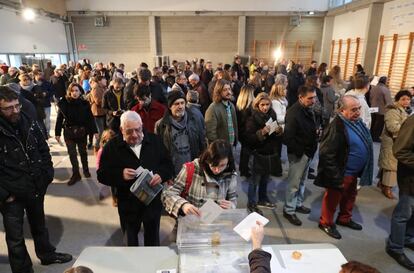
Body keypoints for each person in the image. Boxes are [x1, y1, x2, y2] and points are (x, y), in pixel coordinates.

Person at [0, 86, 72, 273]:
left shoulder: (28, 121)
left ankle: (47, 255)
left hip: (34, 185)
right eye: (8, 108)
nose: (15, 111)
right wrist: (5, 194)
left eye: (17, 106)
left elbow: (43, 148)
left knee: (40, 225)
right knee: (15, 238)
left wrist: (47, 174)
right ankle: (23, 270)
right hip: (11, 194)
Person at [97, 111, 173, 246]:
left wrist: (161, 175)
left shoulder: (155, 141)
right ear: (121, 130)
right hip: (128, 205)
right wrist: (120, 174)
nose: (135, 135)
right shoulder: (112, 147)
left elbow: (168, 166)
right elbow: (102, 174)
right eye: (129, 131)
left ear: (141, 125)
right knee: (130, 242)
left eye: (138, 130)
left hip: (152, 203)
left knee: (153, 241)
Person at [315, 95, 373, 239]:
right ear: (342, 111)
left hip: (354, 172)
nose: (358, 112)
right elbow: (326, 154)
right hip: (341, 173)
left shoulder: (356, 122)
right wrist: (335, 177)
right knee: (332, 200)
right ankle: (326, 223)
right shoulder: (336, 127)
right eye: (354, 109)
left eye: (359, 108)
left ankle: (344, 218)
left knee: (350, 196)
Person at [161, 139, 237, 217]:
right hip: (191, 222)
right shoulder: (191, 169)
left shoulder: (230, 175)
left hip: (216, 224)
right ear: (208, 160)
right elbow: (168, 194)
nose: (217, 170)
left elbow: (233, 198)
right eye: (214, 164)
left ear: (228, 162)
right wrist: (183, 205)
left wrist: (231, 206)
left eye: (222, 165)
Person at [283, 86, 318, 226]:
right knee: (294, 184)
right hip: (299, 154)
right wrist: (300, 152)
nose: (313, 100)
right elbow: (287, 138)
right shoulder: (293, 113)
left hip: (308, 152)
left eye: (314, 97)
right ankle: (289, 210)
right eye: (310, 98)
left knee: (302, 181)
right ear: (301, 97)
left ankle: (297, 204)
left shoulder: (308, 110)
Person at [245, 93, 282, 215]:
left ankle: (262, 199)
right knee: (254, 180)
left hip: (269, 153)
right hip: (257, 153)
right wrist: (261, 133)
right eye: (262, 105)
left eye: (267, 104)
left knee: (265, 179)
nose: (265, 107)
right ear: (257, 105)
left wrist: (277, 131)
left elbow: (275, 135)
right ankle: (251, 203)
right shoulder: (252, 118)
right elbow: (249, 139)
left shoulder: (272, 115)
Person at [386, 115, 414, 270]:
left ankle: (407, 238)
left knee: (413, 212)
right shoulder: (412, 121)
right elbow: (400, 151)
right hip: (410, 178)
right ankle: (395, 247)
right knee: (403, 213)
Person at [155, 91, 206, 175]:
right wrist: (165, 174)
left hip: (194, 170)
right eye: (176, 104)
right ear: (170, 106)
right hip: (174, 173)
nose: (180, 106)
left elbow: (202, 144)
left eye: (182, 103)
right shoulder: (161, 125)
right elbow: (159, 153)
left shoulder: (194, 120)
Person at [55, 83, 97, 185]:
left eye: (76, 90)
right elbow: (59, 118)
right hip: (69, 132)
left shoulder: (85, 103)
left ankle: (86, 170)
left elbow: (90, 118)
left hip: (82, 131)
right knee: (72, 154)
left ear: (80, 91)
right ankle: (76, 174)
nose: (74, 93)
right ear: (69, 92)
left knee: (83, 152)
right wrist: (57, 133)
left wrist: (95, 131)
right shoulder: (63, 103)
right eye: (72, 91)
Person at [378, 90, 411, 199]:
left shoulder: (403, 110)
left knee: (388, 163)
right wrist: (407, 131)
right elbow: (392, 127)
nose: (406, 101)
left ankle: (381, 182)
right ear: (397, 100)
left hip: (397, 141)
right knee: (391, 166)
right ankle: (387, 187)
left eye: (408, 99)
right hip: (392, 142)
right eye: (403, 99)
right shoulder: (393, 111)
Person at [205, 79, 238, 145]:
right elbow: (211, 133)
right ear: (219, 92)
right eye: (224, 90)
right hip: (220, 149)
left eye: (229, 89)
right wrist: (219, 147)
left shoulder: (231, 105)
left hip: (230, 146)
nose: (228, 92)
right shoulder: (213, 108)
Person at [236, 84, 255, 177]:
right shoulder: (249, 109)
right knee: (247, 152)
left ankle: (243, 169)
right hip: (247, 134)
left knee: (244, 151)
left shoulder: (240, 106)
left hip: (241, 133)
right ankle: (245, 170)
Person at [369, 76, 393, 142]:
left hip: (372, 108)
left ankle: (370, 136)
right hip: (381, 110)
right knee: (379, 125)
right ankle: (375, 137)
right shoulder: (385, 89)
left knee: (372, 123)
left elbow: (370, 98)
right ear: (385, 81)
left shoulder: (373, 88)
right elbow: (388, 101)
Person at [89, 75, 108, 153]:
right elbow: (97, 101)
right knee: (100, 132)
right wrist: (107, 102)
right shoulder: (96, 88)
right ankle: (96, 147)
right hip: (97, 113)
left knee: (103, 132)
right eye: (104, 80)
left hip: (102, 112)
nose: (106, 81)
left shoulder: (102, 87)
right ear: (100, 80)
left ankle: (101, 147)